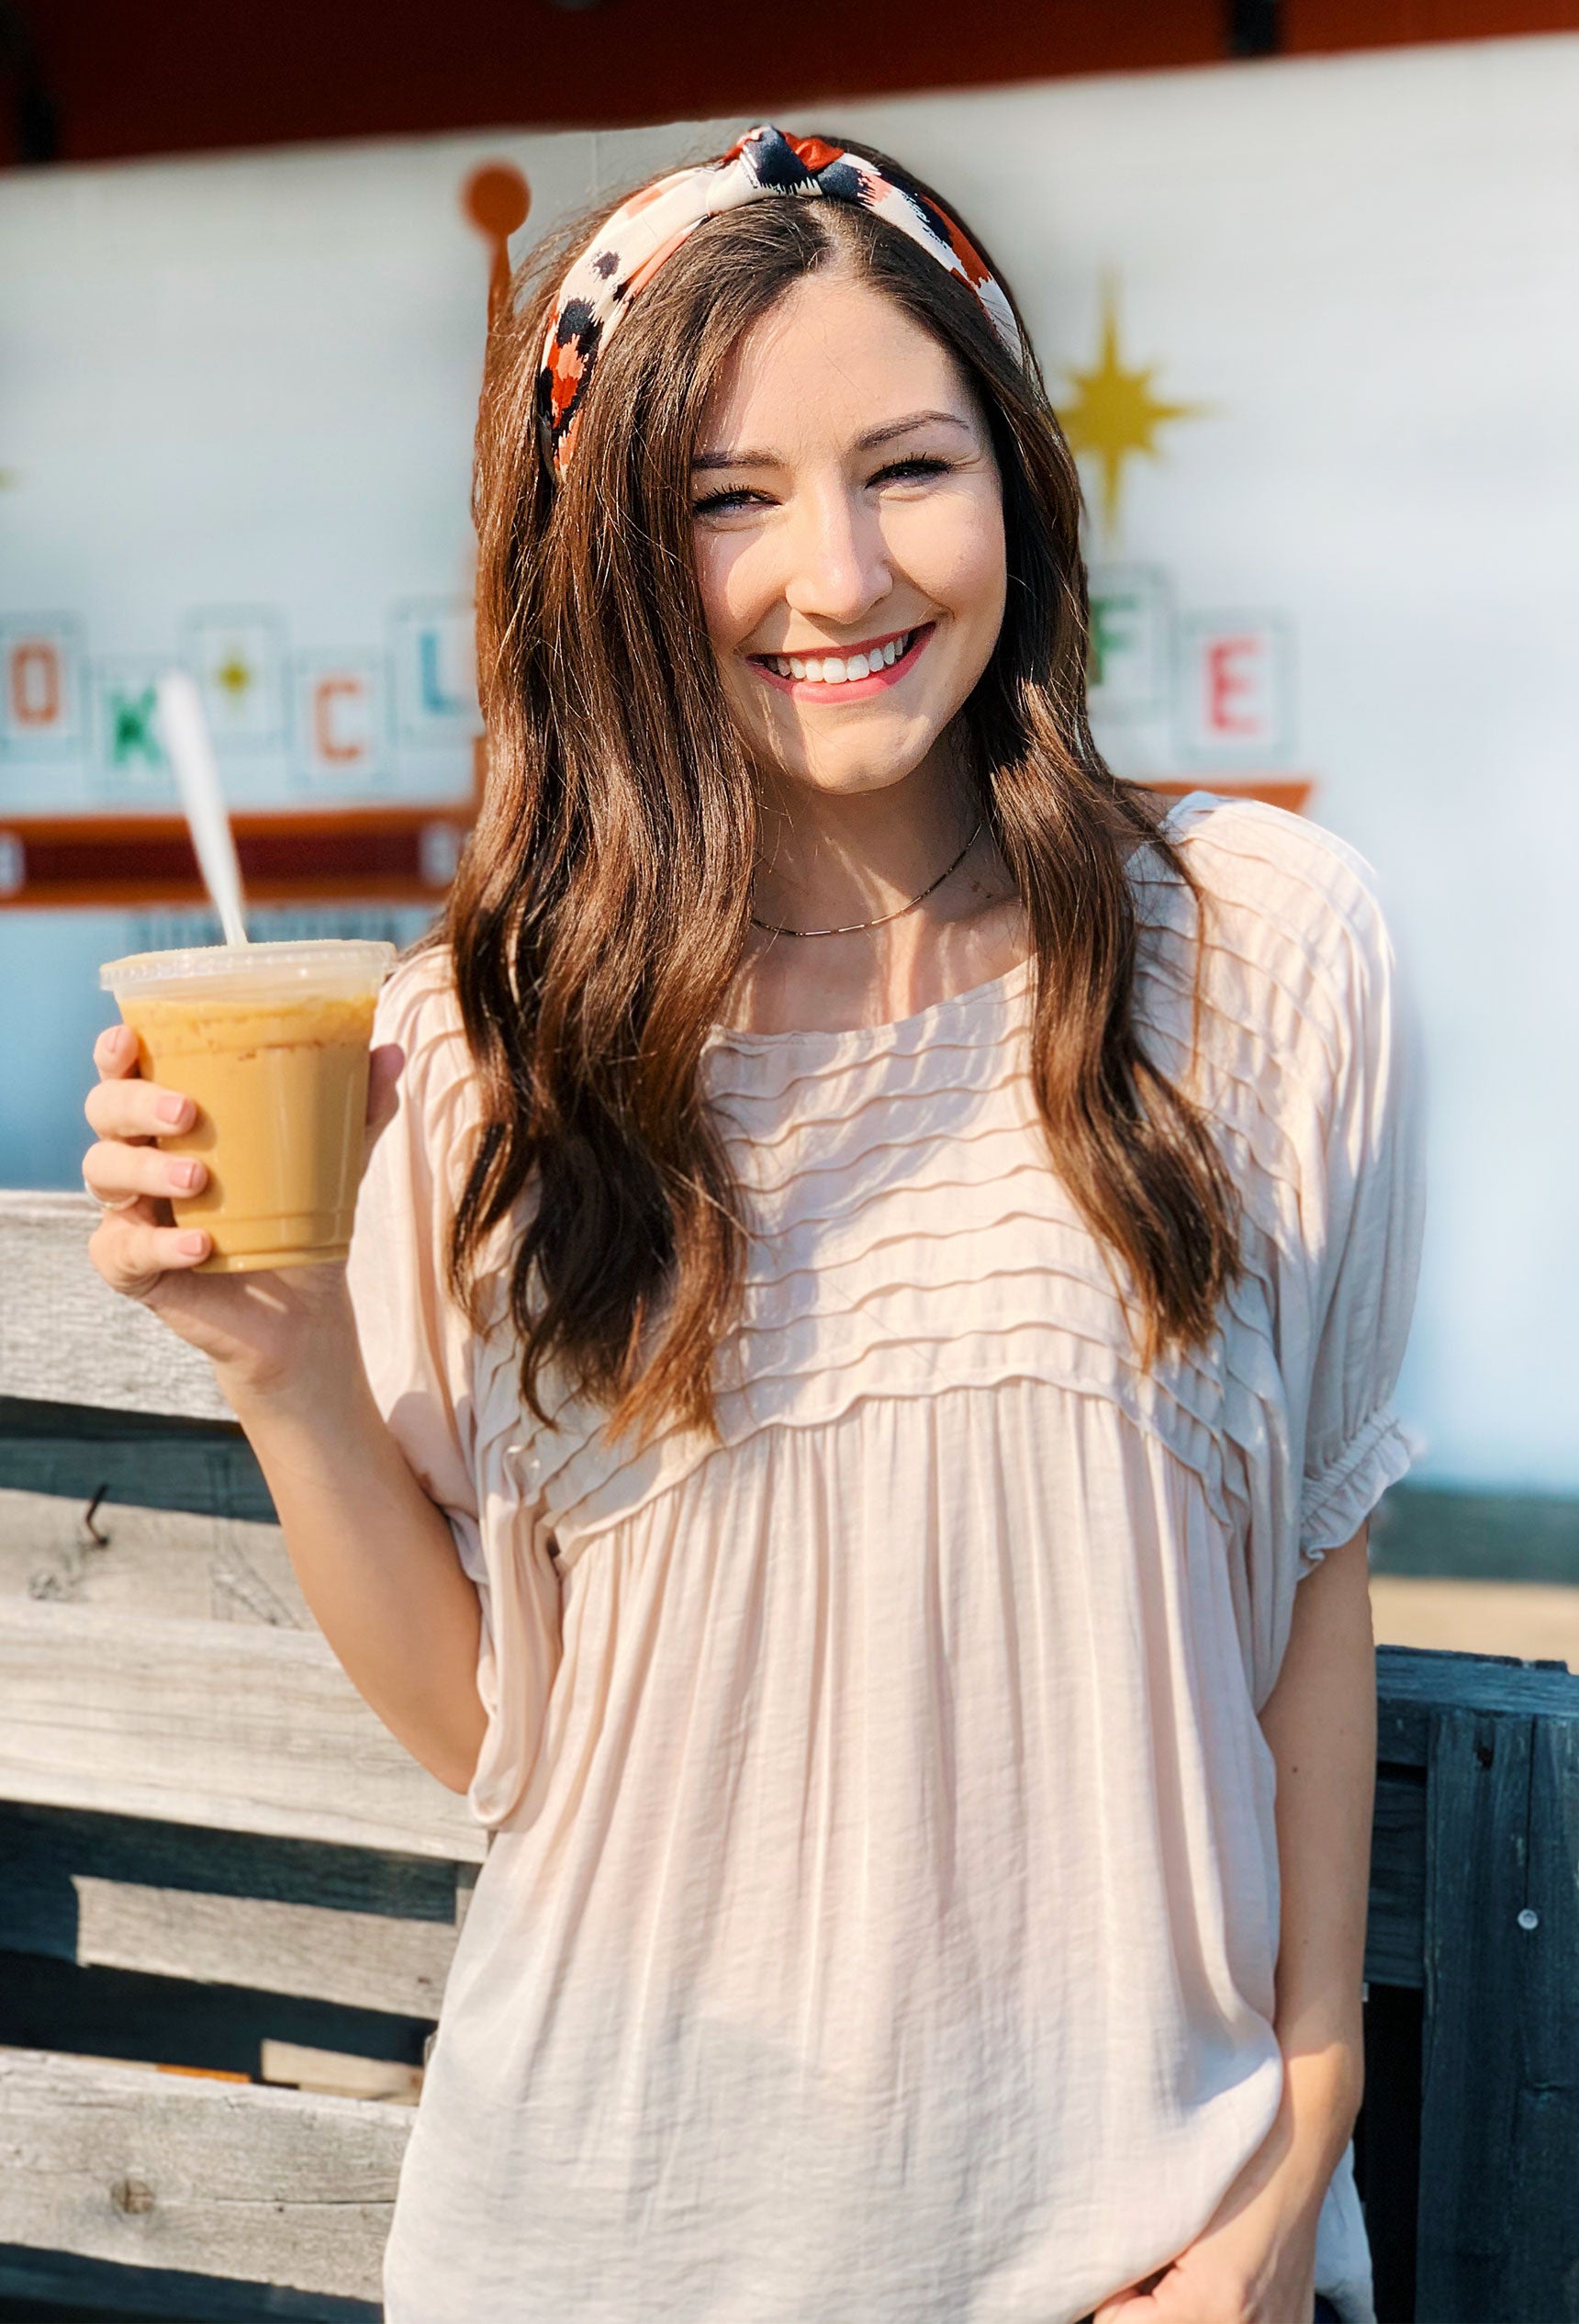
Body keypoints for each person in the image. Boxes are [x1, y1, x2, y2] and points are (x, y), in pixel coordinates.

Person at [82, 127, 1420, 2324]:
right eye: (726, 497)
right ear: (612, 558)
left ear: (1015, 482)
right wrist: (284, 1366)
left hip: (1137, 2261)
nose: (837, 575)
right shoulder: (480, 1055)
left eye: (907, 464)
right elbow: (503, 1739)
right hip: (592, 2240)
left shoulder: (1258, 958)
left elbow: (1313, 1594)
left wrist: (1295, 2152)